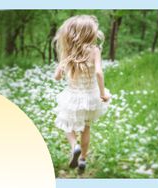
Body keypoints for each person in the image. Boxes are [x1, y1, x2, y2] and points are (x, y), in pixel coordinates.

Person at [53, 15, 110, 174]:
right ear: (89, 33)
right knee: (86, 128)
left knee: (67, 124)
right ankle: (83, 159)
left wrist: (61, 68)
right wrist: (103, 93)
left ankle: (74, 146)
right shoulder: (95, 50)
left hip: (72, 97)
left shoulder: (69, 52)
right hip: (91, 97)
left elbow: (57, 77)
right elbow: (99, 72)